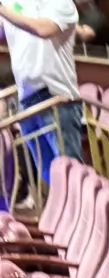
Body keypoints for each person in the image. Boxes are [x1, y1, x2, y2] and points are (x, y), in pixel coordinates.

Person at [0, 0, 84, 172]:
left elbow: (43, 29)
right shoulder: (11, 4)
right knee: (47, 174)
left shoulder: (61, 3)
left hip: (56, 98)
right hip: (26, 101)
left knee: (69, 173)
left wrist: (3, 10)